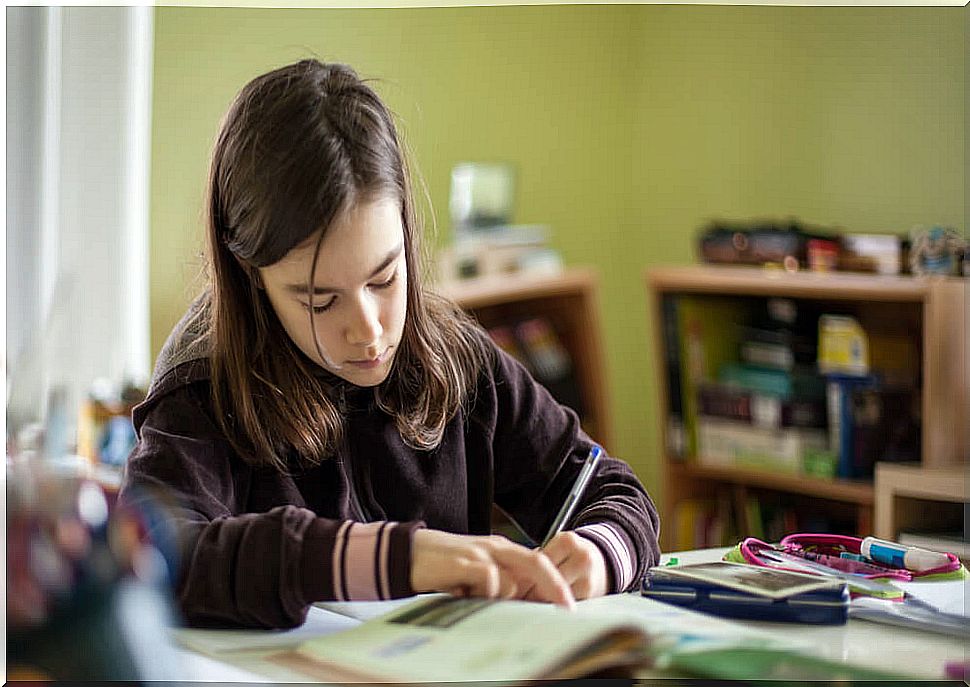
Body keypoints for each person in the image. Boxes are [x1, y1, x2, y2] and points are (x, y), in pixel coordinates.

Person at [120, 58, 660, 629]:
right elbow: (152, 560)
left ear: (406, 229)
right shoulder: (203, 383)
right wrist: (396, 559)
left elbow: (614, 493)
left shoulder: (458, 360)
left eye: (385, 278)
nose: (370, 329)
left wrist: (599, 554)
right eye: (319, 299)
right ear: (251, 274)